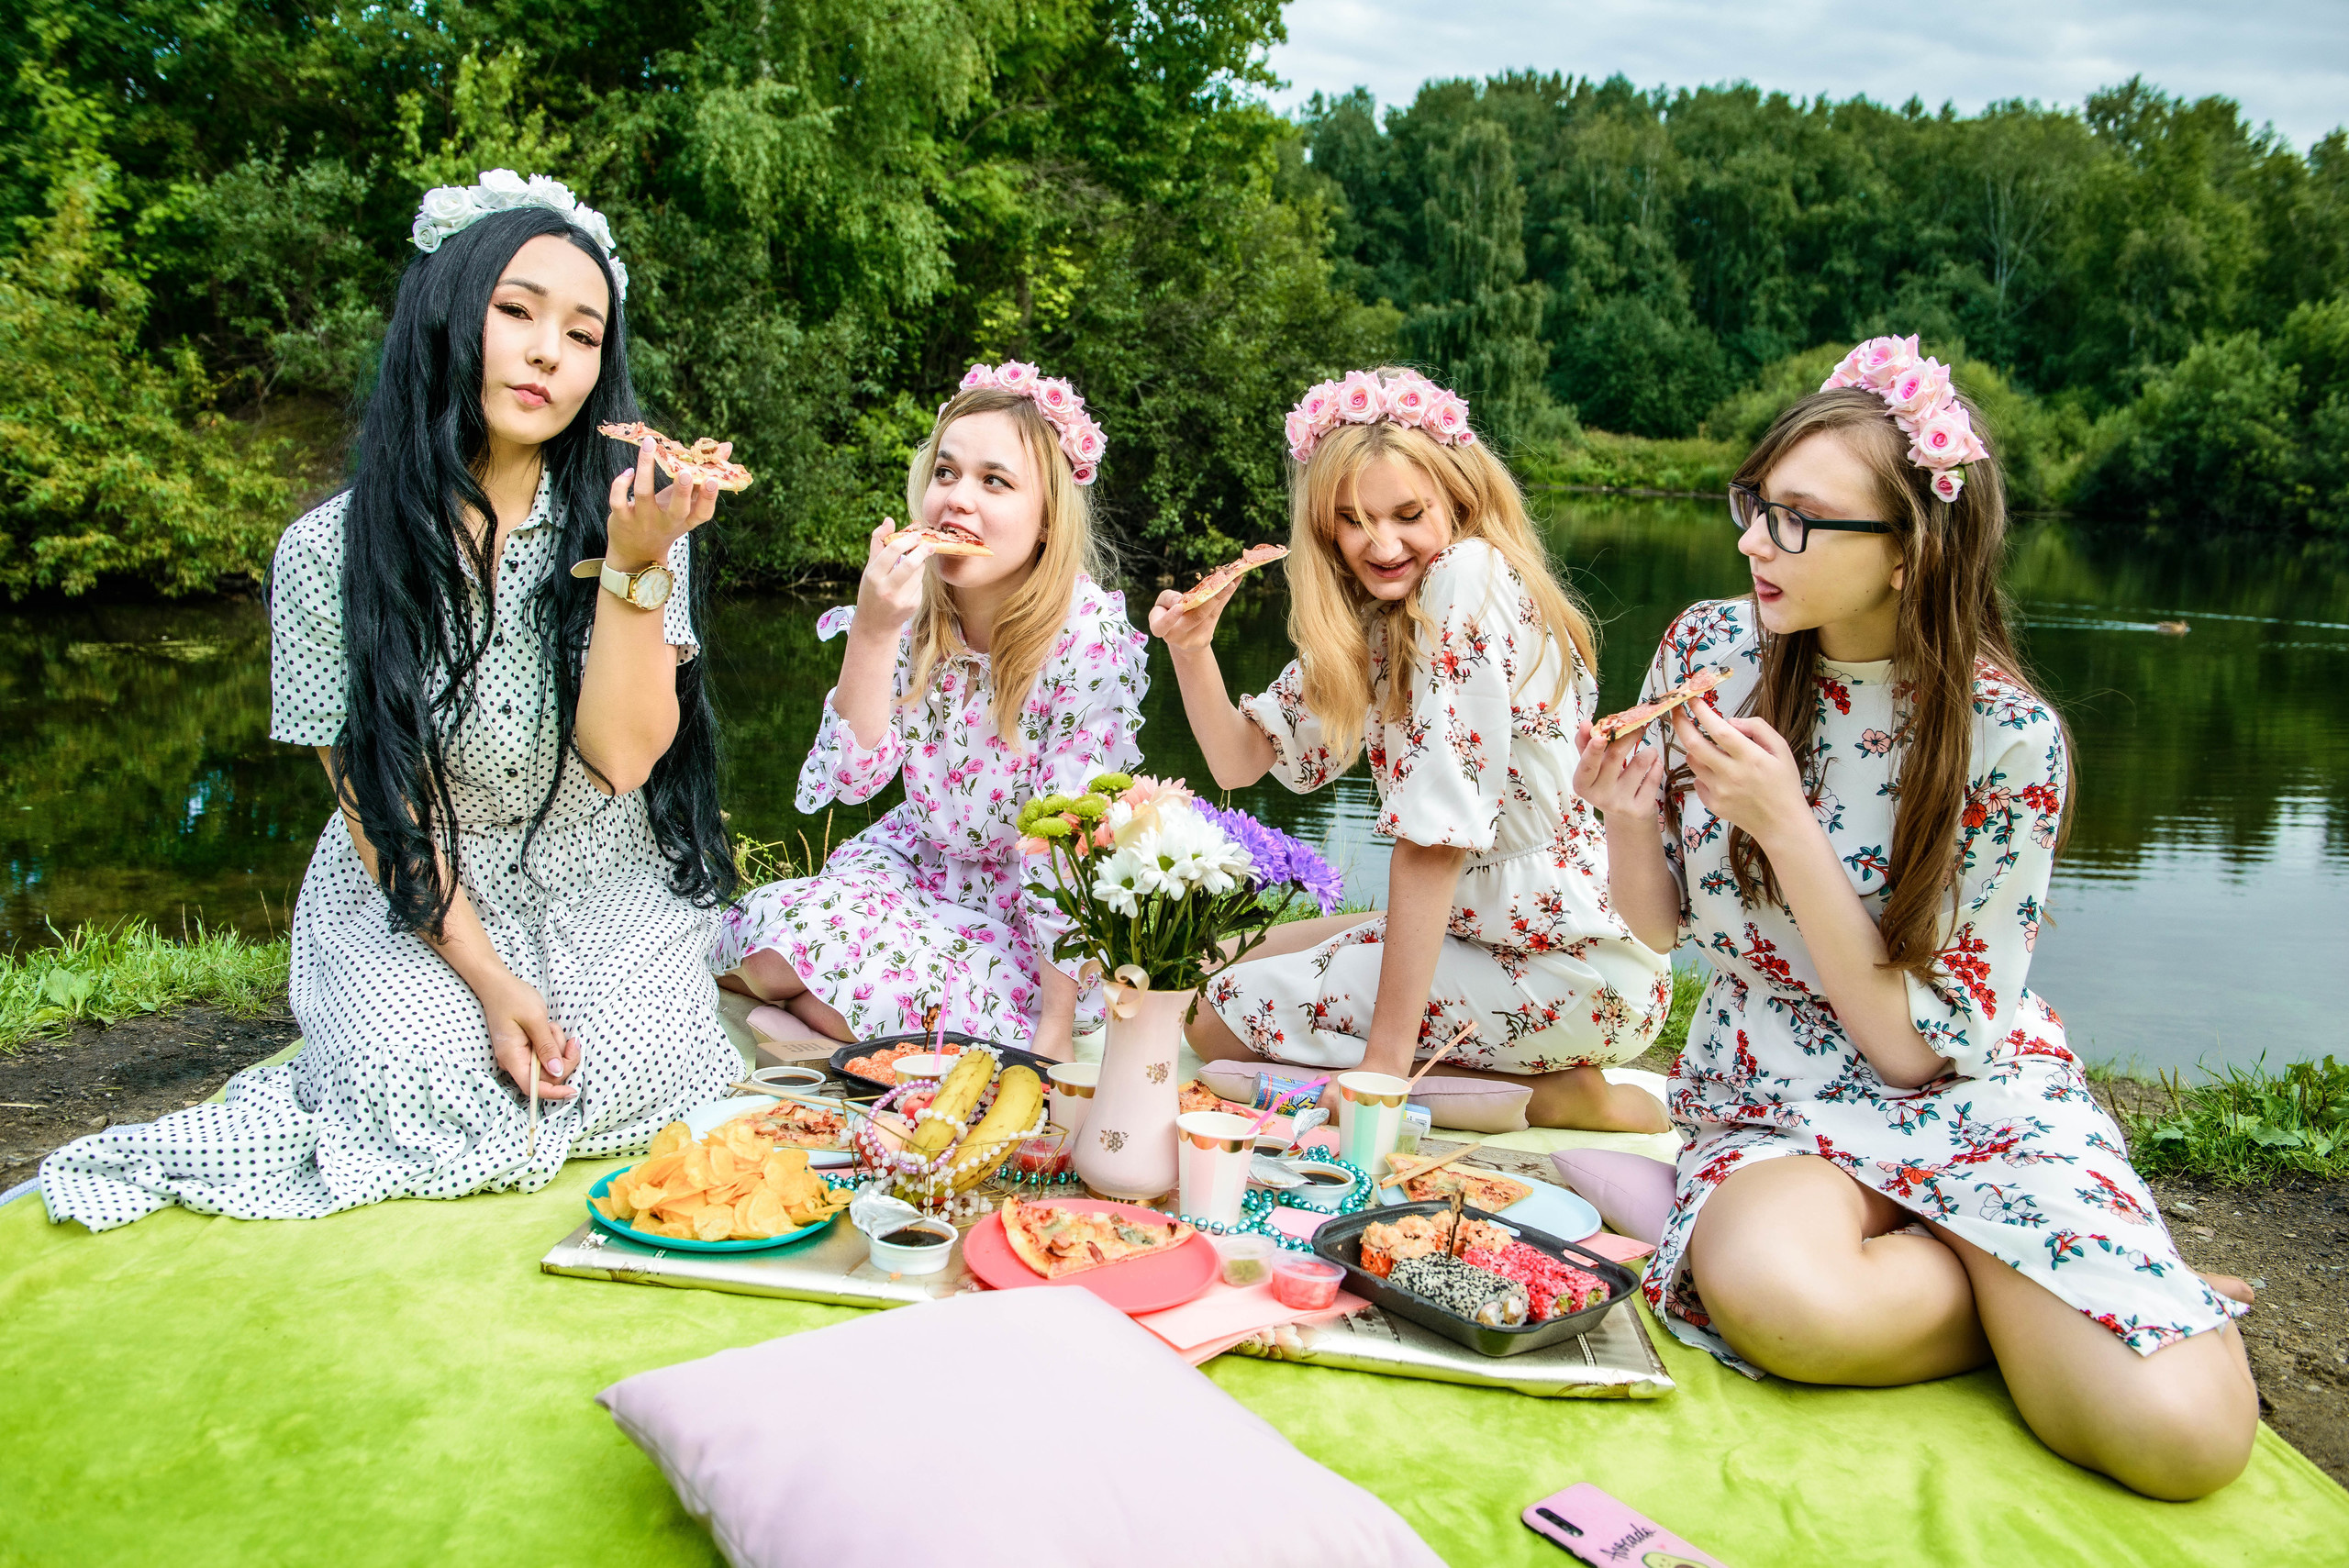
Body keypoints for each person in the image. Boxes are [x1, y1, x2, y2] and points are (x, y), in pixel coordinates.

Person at [1575, 337, 2257, 1498]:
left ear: (1910, 551)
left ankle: (2031, 1243)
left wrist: (1788, 826)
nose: (1750, 540)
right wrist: (1628, 822)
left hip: (1960, 1081)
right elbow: (1659, 930)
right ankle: (2029, 1260)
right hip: (1774, 1082)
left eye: (1795, 518)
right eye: (1753, 503)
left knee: (2182, 1440)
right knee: (1789, 1304)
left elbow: (1911, 1046)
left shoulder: (2010, 739)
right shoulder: (1711, 646)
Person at [40, 172, 743, 1231]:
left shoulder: (635, 520)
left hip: (599, 870)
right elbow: (380, 801)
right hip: (421, 885)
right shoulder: (329, 548)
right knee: (416, 1080)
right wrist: (495, 983)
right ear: (448, 312)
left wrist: (639, 568)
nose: (549, 351)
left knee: (639, 1069)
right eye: (516, 311)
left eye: (583, 333)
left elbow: (626, 759)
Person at [1155, 367, 1672, 1131]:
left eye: (1407, 513)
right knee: (1207, 968)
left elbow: (1435, 836)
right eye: (1355, 520)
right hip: (1485, 932)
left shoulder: (1468, 578)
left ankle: (1551, 1097)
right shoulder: (1377, 622)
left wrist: (1382, 1073)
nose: (1383, 542)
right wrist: (1193, 651)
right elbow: (1242, 762)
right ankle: (1498, 1076)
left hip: (1569, 960)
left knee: (1212, 1018)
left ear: (1457, 501)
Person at [712, 362, 1144, 1062]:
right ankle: (818, 1025)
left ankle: (814, 1028)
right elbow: (851, 783)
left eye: (994, 481)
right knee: (761, 945)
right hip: (913, 864)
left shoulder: (1086, 639)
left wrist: (1055, 1033)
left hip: (1020, 917)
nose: (957, 501)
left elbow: (1070, 845)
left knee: (858, 991)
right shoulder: (915, 608)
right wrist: (876, 630)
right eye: (946, 474)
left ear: (1046, 520)